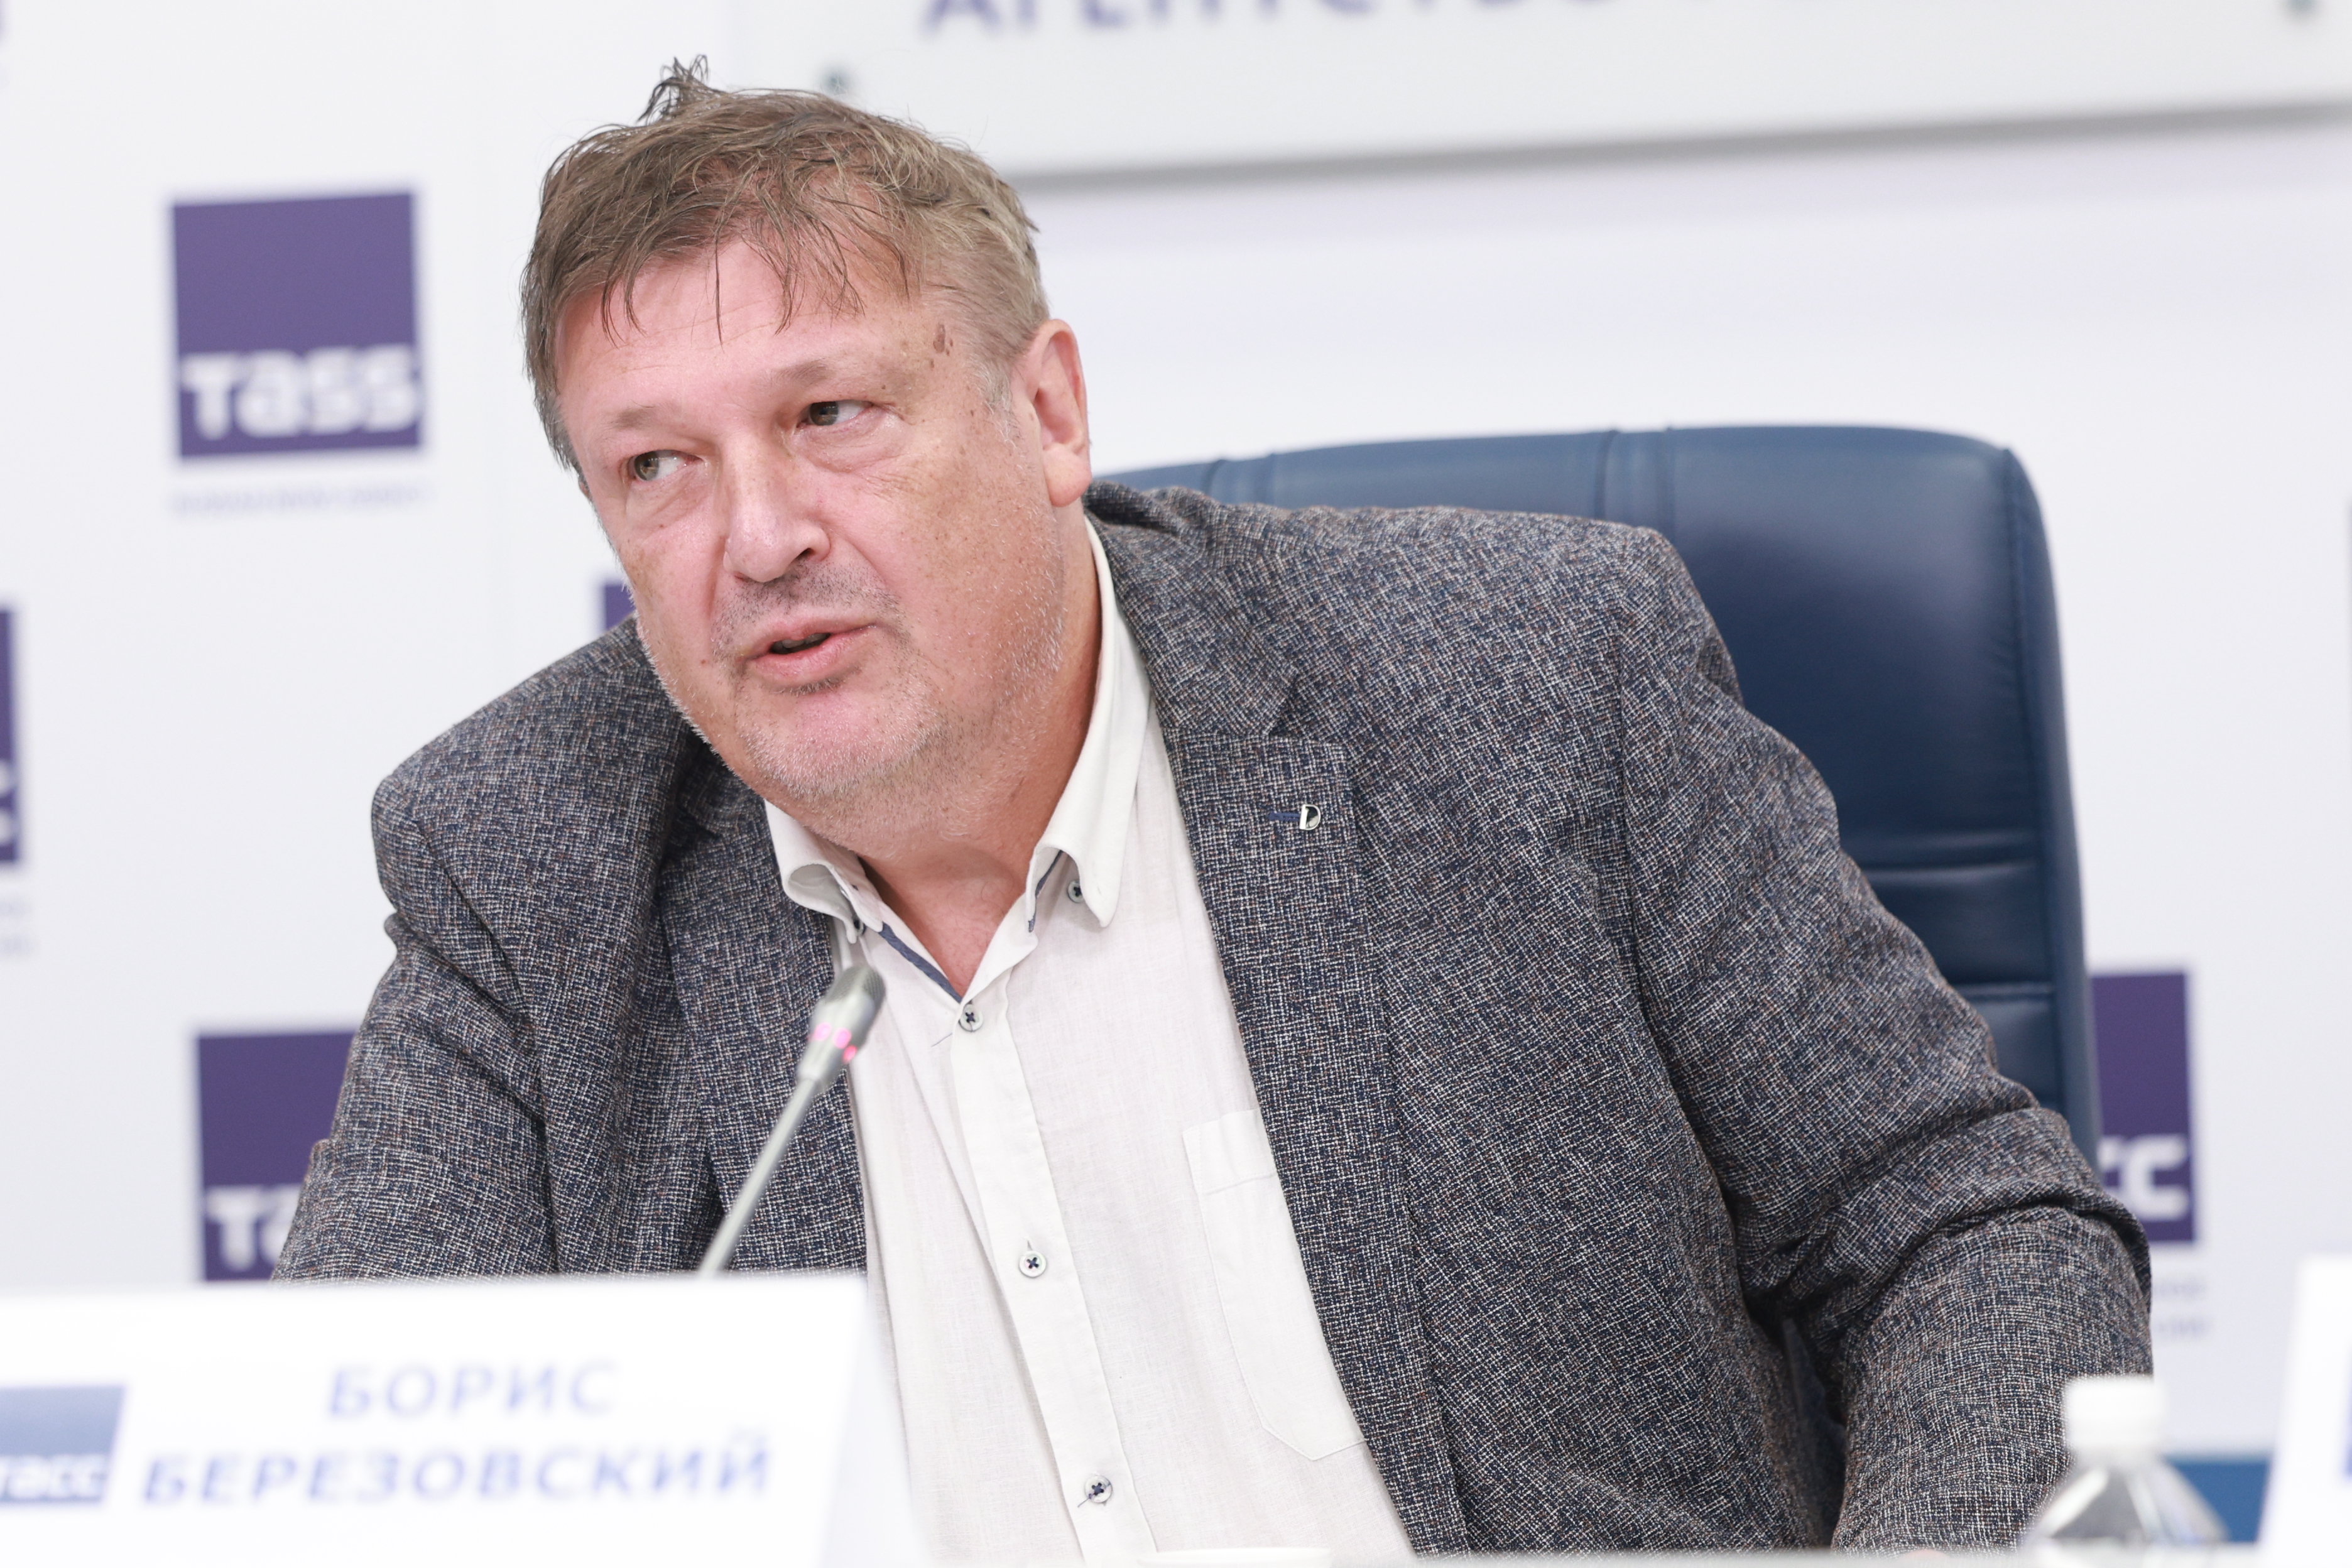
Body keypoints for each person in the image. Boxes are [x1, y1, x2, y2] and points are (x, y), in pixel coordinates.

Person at [278, 63, 2151, 1563]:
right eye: (659, 467)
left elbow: (1973, 1227)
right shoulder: (531, 855)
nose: (757, 539)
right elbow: (356, 1463)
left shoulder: (1520, 684)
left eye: (831, 414)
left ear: (1047, 411)